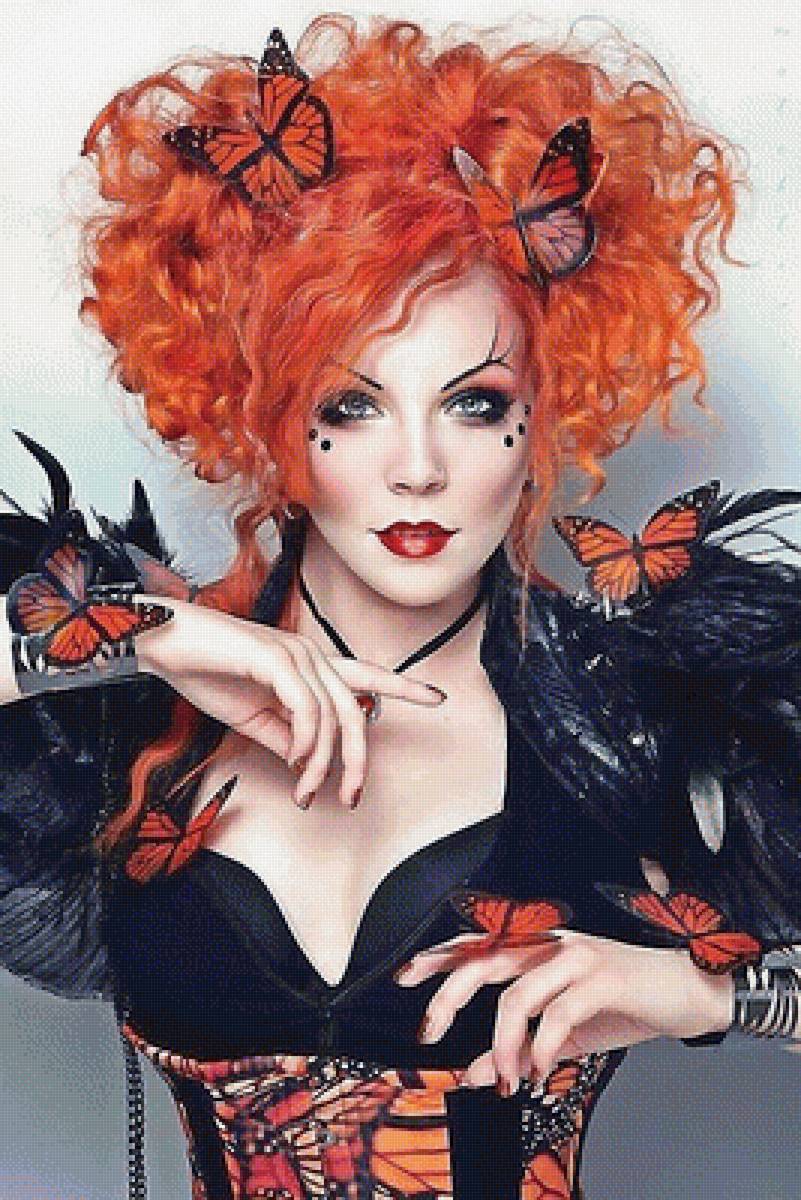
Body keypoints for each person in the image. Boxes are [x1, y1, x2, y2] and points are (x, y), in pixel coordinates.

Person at [1, 14, 800, 1200]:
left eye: (475, 405)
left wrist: (707, 992)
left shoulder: (635, 717)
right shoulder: (127, 710)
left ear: (543, 412)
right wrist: (147, 633)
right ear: (268, 414)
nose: (418, 468)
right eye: (352, 405)